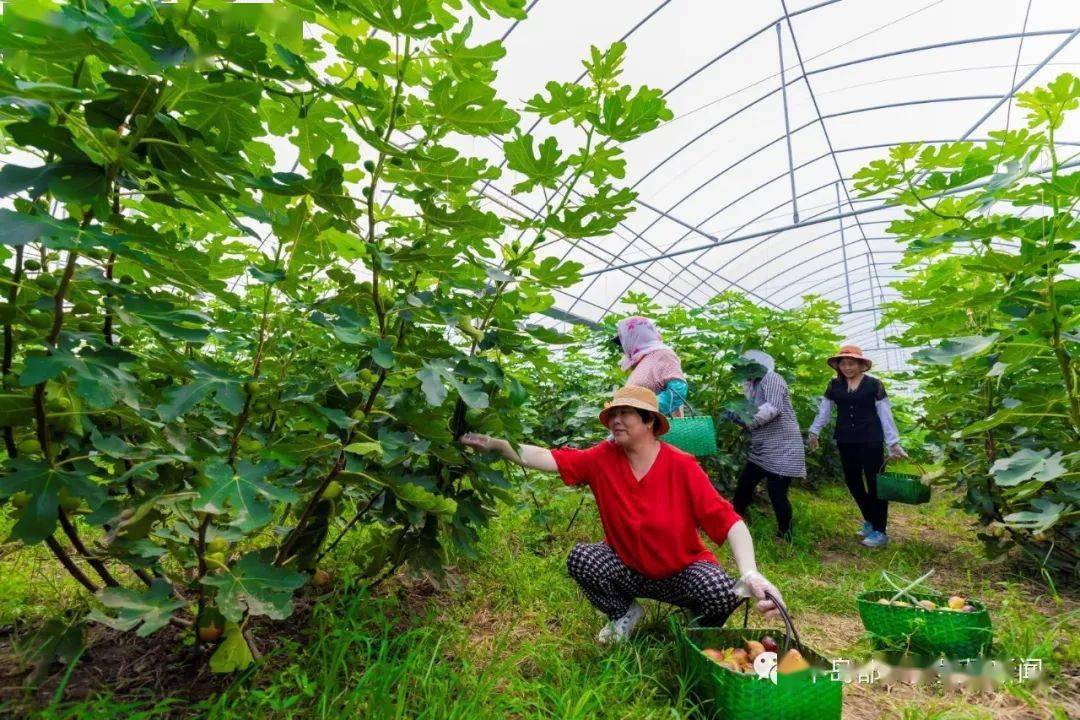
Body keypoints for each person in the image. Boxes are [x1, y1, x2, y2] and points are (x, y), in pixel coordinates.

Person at [460, 385, 784, 645]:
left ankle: (695, 627)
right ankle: (624, 613)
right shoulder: (603, 458)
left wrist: (751, 573)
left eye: (624, 413)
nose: (615, 419)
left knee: (720, 591)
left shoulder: (681, 465)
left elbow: (730, 522)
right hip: (629, 568)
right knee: (582, 558)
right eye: (612, 413)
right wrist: (495, 444)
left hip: (681, 573)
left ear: (649, 422)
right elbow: (546, 457)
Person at [807, 345, 907, 548]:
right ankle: (870, 520)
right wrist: (814, 431)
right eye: (843, 364)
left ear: (861, 365)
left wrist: (893, 443)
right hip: (845, 440)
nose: (847, 367)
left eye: (851, 363)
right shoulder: (834, 386)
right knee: (853, 482)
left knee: (875, 484)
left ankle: (880, 531)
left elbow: (885, 414)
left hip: (871, 440)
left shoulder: (874, 385)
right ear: (838, 366)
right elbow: (824, 411)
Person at [725, 350, 806, 542]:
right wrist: (737, 415)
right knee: (744, 485)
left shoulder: (772, 378)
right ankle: (733, 525)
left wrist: (744, 418)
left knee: (777, 492)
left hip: (783, 447)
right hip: (763, 448)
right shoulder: (753, 384)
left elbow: (773, 408)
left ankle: (785, 534)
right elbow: (751, 411)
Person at [613, 316, 688, 416]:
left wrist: (644, 411)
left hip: (656, 426)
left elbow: (678, 389)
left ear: (636, 335)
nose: (623, 344)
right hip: (639, 425)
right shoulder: (642, 359)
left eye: (623, 339)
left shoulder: (663, 354)